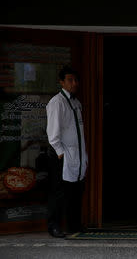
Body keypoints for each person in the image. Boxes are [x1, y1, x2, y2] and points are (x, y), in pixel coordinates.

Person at [46, 66, 88, 238]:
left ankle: (74, 224)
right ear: (61, 82)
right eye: (70, 80)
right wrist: (60, 152)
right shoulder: (57, 102)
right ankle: (54, 225)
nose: (74, 83)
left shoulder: (76, 103)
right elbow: (53, 132)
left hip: (77, 154)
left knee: (75, 190)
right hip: (62, 154)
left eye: (75, 80)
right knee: (59, 192)